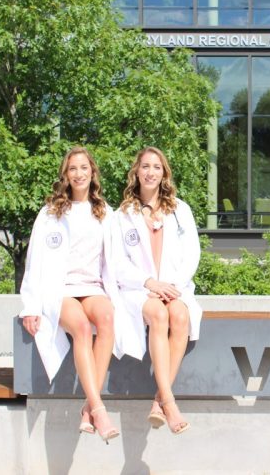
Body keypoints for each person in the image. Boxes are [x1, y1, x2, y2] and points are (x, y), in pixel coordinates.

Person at [19, 146, 120, 443]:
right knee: (79, 327)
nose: (79, 173)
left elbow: (114, 261)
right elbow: (34, 260)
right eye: (73, 168)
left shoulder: (104, 213)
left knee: (106, 320)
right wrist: (31, 305)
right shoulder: (50, 214)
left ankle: (88, 409)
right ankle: (98, 410)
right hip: (60, 290)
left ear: (93, 173)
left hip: (92, 288)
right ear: (66, 174)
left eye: (84, 168)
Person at [111, 146, 202, 435]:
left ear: (164, 174)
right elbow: (116, 261)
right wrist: (149, 283)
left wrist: (172, 286)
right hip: (138, 290)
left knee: (180, 317)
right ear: (136, 171)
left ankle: (158, 401)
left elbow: (193, 254)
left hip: (174, 287)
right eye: (146, 166)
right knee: (159, 317)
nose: (151, 172)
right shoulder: (122, 215)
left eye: (157, 167)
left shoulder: (180, 210)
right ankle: (169, 402)